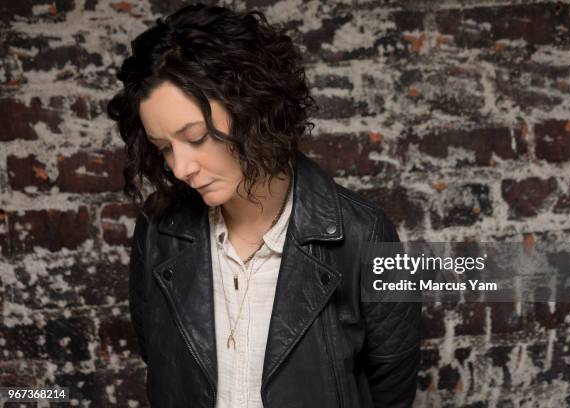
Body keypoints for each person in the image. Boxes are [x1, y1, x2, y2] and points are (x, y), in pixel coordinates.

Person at [106, 3, 421, 407]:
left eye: (197, 136)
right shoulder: (158, 229)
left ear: (252, 110)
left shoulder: (366, 236)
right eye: (164, 148)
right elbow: (161, 366)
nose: (181, 167)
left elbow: (390, 393)